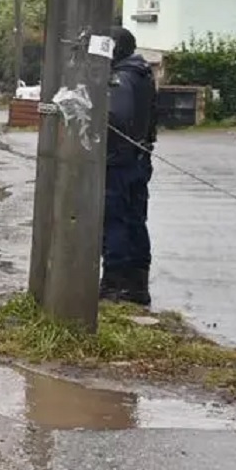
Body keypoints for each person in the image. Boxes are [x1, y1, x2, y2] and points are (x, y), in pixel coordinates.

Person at [102, 26, 157, 307]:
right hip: (139, 158)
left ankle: (115, 285)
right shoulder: (142, 74)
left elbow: (116, 117)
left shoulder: (121, 78)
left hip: (120, 163)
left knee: (115, 221)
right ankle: (137, 284)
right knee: (135, 221)